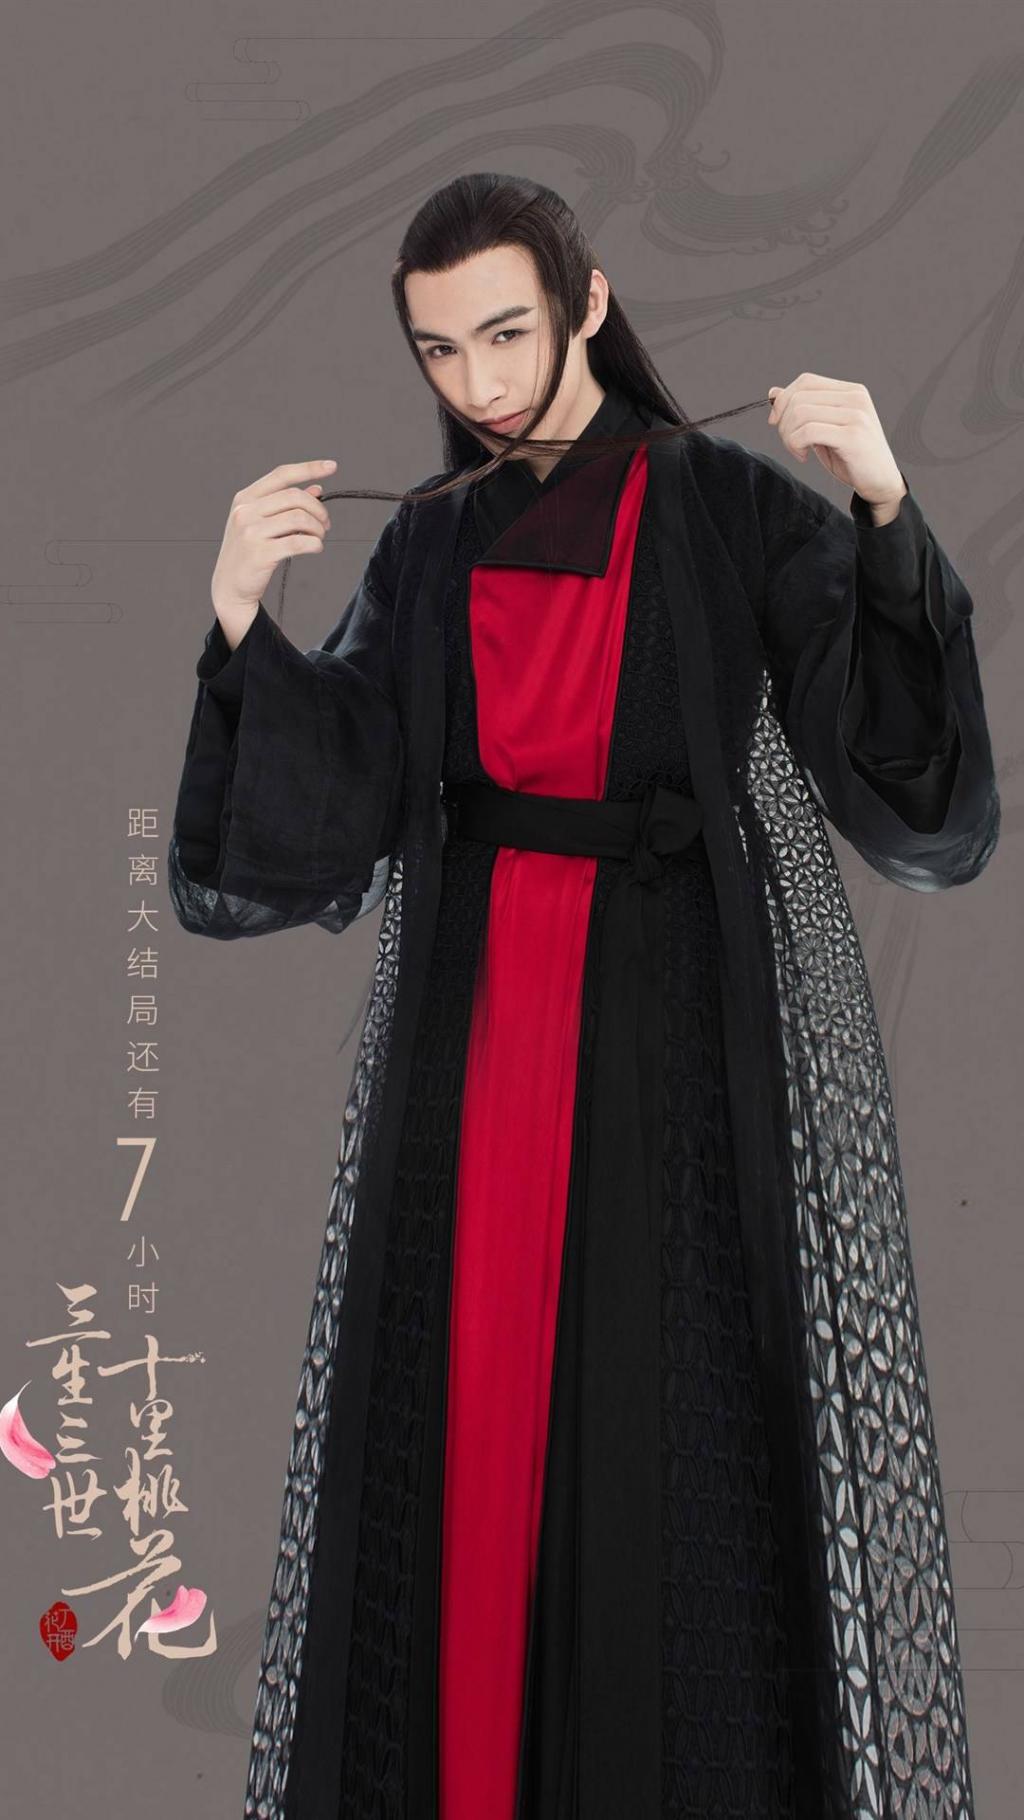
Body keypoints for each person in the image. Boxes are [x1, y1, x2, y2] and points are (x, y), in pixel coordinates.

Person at [168, 172, 1000, 1820]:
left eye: (507, 332)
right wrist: (240, 615)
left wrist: (886, 507)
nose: (478, 382)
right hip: (469, 1032)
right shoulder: (431, 538)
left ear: (589, 305)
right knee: (464, 1420)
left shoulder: (731, 505)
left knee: (666, 1426)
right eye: (440, 350)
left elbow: (903, 782)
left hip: (671, 1025)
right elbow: (345, 783)